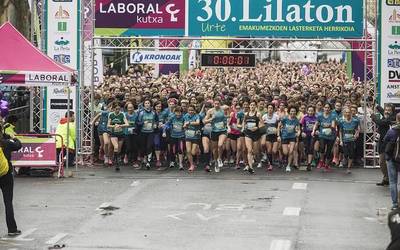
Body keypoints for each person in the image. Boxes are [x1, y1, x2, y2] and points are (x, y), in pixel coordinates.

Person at [0, 125, 22, 236]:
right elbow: (19, 145)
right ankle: (12, 229)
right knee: (8, 202)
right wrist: (14, 137)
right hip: (6, 174)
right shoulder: (6, 143)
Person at [372, 104, 395, 186]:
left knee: (388, 162)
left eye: (389, 110)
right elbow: (383, 111)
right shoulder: (385, 116)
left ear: (392, 111)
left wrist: (373, 116)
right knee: (381, 162)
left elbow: (379, 122)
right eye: (386, 110)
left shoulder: (392, 118)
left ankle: (389, 179)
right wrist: (377, 106)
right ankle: (386, 178)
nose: (387, 111)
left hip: (390, 144)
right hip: (382, 143)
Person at [383, 113, 400, 210]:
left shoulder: (392, 131)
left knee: (393, 182)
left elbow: (384, 140)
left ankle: (395, 204)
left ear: (397, 119)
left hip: (392, 158)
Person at [107, 102, 129, 171]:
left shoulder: (122, 114)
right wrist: (114, 126)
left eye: (119, 109)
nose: (117, 110)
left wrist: (120, 125)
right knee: (115, 146)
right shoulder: (111, 114)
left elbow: (127, 124)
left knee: (118, 150)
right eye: (116, 109)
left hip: (121, 133)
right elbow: (108, 125)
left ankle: (115, 157)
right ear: (113, 109)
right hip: (113, 134)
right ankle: (117, 164)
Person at [338, 107, 360, 174]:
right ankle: (344, 160)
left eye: (349, 112)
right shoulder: (341, 121)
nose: (347, 114)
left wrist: (356, 134)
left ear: (351, 113)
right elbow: (340, 131)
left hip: (352, 140)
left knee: (351, 154)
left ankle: (349, 167)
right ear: (344, 113)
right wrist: (341, 140)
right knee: (346, 153)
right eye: (346, 112)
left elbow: (357, 129)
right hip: (344, 140)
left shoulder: (355, 121)